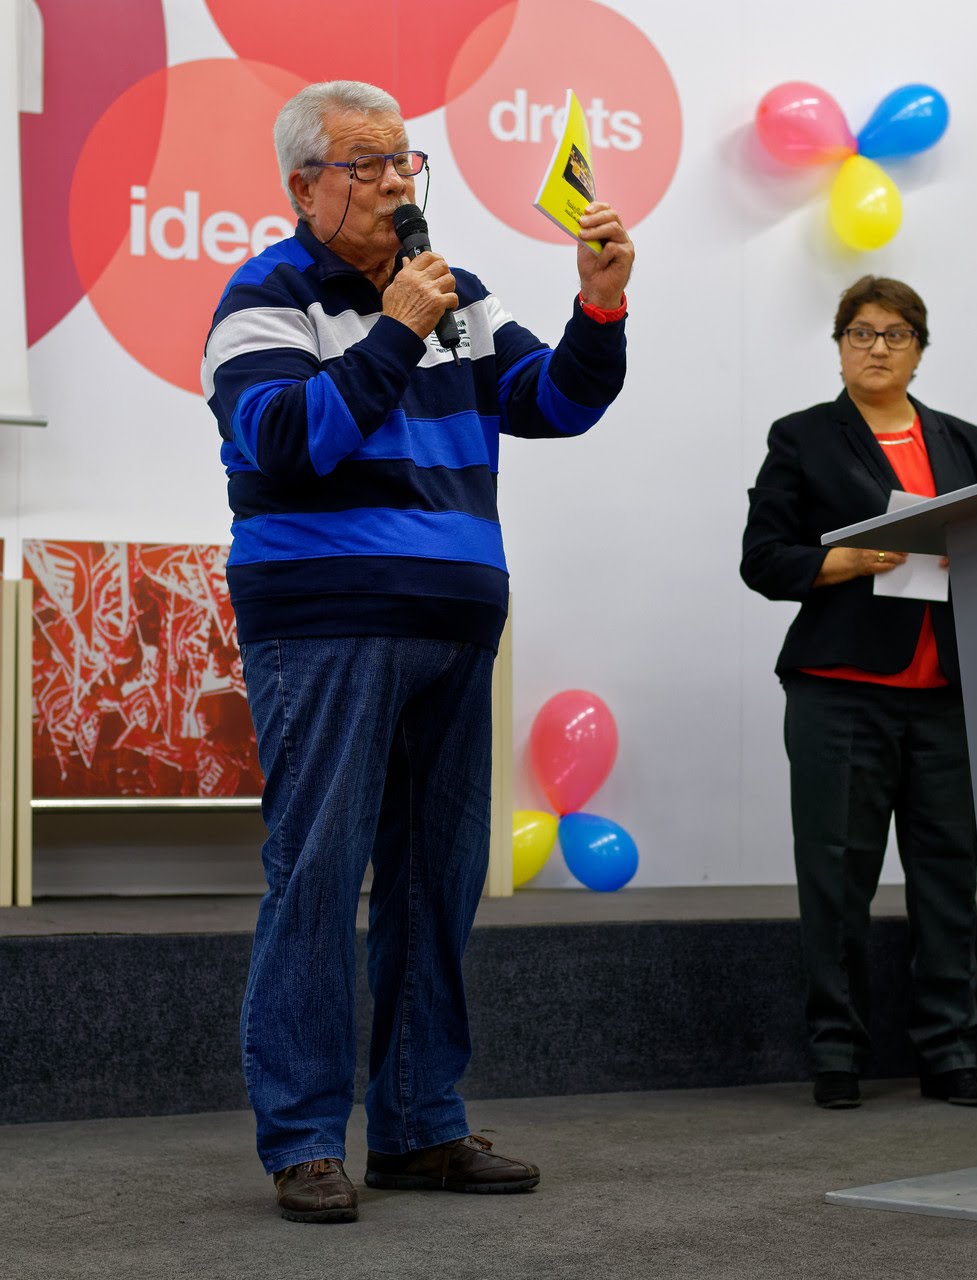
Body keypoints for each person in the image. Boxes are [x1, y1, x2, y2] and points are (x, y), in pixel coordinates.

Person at [201, 80, 633, 1222]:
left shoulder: (462, 296)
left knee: (436, 890)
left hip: (452, 633)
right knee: (317, 880)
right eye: (368, 163)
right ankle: (302, 1137)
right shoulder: (264, 295)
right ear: (304, 184)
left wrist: (598, 309)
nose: (398, 182)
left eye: (406, 163)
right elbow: (287, 443)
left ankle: (419, 1125)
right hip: (327, 628)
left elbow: (557, 401)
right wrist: (394, 327)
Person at [740, 276, 977, 1111]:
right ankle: (836, 1050)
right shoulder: (804, 439)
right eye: (859, 333)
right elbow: (764, 559)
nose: (877, 347)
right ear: (839, 346)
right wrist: (848, 559)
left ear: (921, 349)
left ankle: (949, 1050)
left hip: (948, 690)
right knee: (836, 875)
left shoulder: (967, 445)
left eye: (895, 333)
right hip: (841, 690)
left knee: (949, 877)